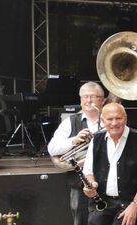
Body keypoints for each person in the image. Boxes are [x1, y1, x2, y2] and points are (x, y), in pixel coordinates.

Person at [82, 103, 137, 225]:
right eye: (110, 119)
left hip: (129, 203)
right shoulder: (96, 139)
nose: (114, 123)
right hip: (102, 203)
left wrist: (135, 206)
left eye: (118, 118)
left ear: (125, 119)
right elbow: (88, 172)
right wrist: (91, 184)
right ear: (102, 121)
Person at [48, 81, 105, 225]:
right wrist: (74, 140)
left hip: (108, 182)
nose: (88, 100)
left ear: (103, 100)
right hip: (80, 185)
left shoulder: (111, 120)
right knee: (81, 221)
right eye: (84, 97)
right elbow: (52, 148)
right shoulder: (70, 122)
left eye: (93, 96)